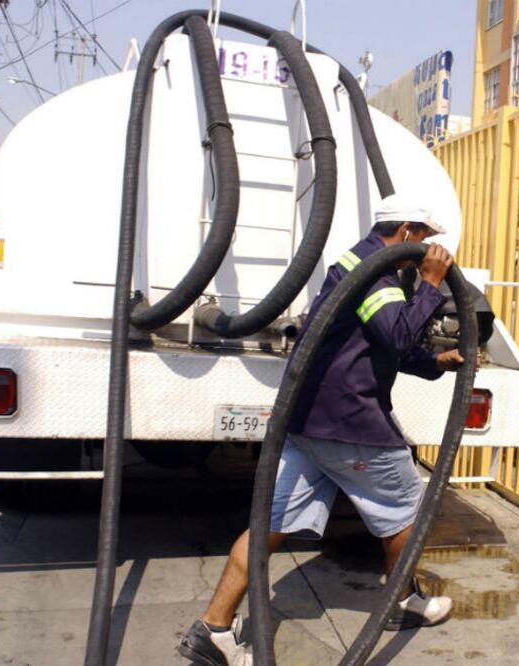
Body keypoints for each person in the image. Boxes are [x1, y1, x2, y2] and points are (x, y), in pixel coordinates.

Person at [178, 194, 468, 666]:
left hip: (309, 420)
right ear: (409, 232)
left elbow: (371, 344)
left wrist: (432, 361)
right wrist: (432, 285)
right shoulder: (376, 268)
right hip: (349, 422)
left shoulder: (356, 265)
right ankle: (401, 600)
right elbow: (395, 332)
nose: (426, 254)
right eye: (426, 241)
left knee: (267, 525)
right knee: (408, 510)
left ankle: (214, 628)